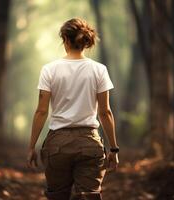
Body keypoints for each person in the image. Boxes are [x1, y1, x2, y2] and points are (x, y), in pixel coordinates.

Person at [27, 18, 119, 200]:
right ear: (85, 42)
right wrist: (114, 150)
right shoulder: (99, 70)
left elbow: (41, 111)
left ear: (65, 40)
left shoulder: (49, 70)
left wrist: (31, 147)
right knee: (89, 196)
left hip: (57, 145)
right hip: (89, 143)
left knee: (58, 195)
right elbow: (105, 112)